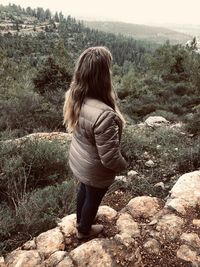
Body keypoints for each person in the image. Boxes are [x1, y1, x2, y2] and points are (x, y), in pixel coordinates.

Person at [63, 46, 128, 240]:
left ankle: (79, 221)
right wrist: (124, 165)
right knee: (93, 198)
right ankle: (84, 230)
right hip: (95, 169)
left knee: (84, 189)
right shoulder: (104, 114)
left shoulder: (75, 97)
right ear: (103, 76)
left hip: (81, 162)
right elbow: (109, 158)